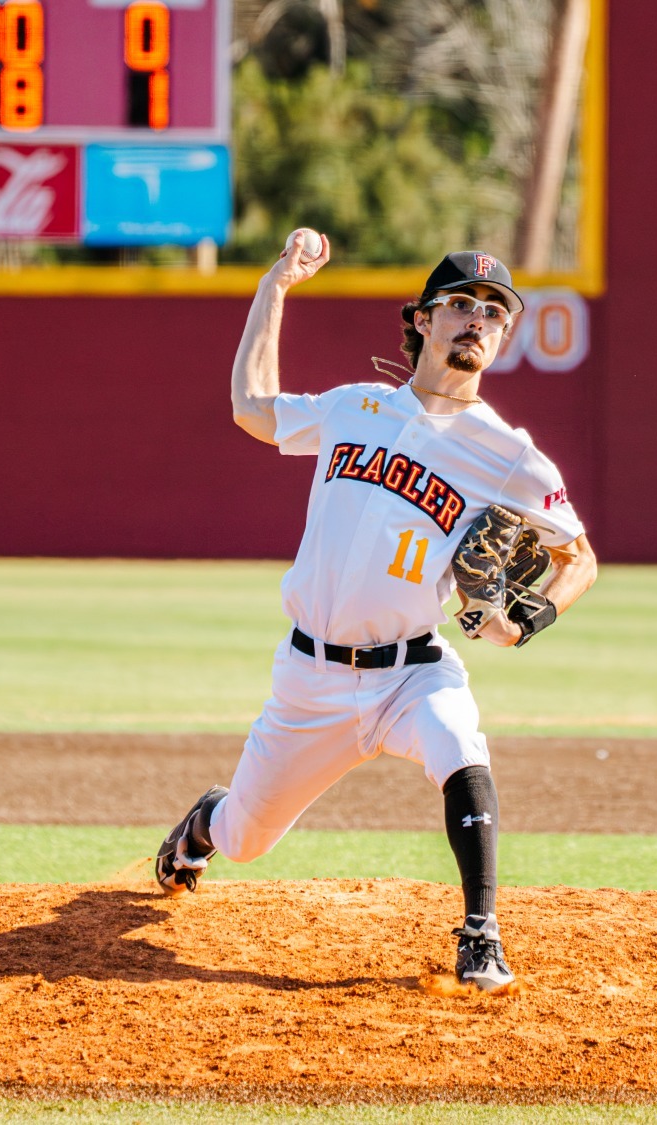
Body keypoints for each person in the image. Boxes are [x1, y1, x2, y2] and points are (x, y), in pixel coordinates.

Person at [152, 230, 598, 992]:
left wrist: (525, 621)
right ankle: (206, 821)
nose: (478, 320)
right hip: (309, 679)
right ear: (422, 319)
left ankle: (481, 933)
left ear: (502, 337)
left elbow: (579, 556)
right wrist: (273, 287)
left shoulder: (511, 456)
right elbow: (251, 408)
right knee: (247, 838)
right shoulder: (354, 408)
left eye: (495, 312)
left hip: (410, 671)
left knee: (460, 742)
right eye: (461, 304)